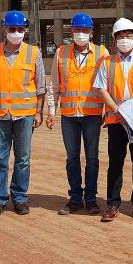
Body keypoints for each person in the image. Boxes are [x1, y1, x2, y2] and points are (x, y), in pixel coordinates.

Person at [0, 10, 46, 218]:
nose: (16, 32)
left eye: (19, 29)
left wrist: (38, 112)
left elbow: (40, 87)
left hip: (25, 115)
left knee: (22, 159)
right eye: (12, 29)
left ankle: (19, 198)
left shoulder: (33, 53)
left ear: (25, 30)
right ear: (4, 30)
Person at [94, 18, 133, 222]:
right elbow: (101, 89)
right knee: (116, 162)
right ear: (114, 39)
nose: (125, 39)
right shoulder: (107, 62)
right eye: (120, 36)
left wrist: (132, 109)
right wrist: (118, 110)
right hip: (116, 119)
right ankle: (113, 203)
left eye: (128, 36)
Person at [47, 12, 108, 216]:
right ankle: (75, 198)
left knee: (92, 158)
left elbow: (107, 85)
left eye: (85, 30)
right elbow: (55, 84)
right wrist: (51, 110)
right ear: (71, 31)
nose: (81, 33)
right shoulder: (61, 53)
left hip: (92, 115)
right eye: (77, 30)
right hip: (69, 115)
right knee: (72, 158)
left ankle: (90, 199)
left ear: (91, 32)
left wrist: (107, 111)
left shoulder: (102, 53)